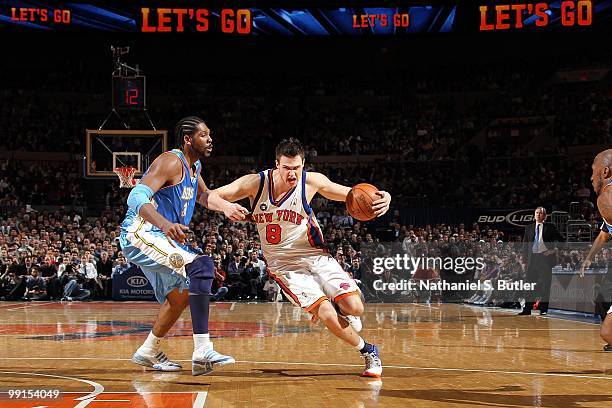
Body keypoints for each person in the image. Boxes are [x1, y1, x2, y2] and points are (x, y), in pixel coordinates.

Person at [210, 138, 391, 377]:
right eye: (286, 168)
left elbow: (354, 195)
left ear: (303, 165)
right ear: (277, 164)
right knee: (326, 313)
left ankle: (340, 306)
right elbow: (211, 196)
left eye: (296, 168)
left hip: (316, 255)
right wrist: (225, 206)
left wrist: (383, 196)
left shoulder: (311, 182)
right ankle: (368, 351)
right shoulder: (256, 183)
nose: (292, 173)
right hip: (284, 266)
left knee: (355, 308)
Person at [119, 116, 248, 375]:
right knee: (201, 267)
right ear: (188, 139)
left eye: (210, 134)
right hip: (142, 232)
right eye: (203, 135)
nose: (210, 139)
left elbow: (203, 195)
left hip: (161, 236)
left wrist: (226, 207)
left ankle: (147, 351)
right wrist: (166, 224)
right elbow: (136, 195)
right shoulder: (170, 161)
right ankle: (202, 350)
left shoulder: (195, 166)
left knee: (180, 297)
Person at [580, 149, 612, 350]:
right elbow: (604, 233)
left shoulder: (606, 197)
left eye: (594, 171)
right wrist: (589, 258)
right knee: (601, 298)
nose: (591, 177)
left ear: (606, 172)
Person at [518, 207, 562, 316]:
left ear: (545, 216)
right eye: (536, 213)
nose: (538, 214)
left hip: (545, 259)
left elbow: (562, 239)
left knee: (545, 285)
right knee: (529, 284)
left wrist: (554, 250)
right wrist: (524, 261)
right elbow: (525, 245)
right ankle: (527, 309)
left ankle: (543, 309)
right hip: (532, 259)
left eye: (540, 213)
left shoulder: (550, 227)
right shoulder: (528, 228)